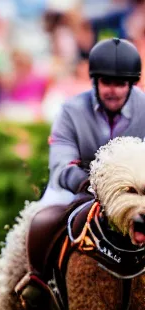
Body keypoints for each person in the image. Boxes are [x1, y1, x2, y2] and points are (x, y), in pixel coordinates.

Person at [41, 37, 145, 206]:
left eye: (120, 84)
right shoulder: (70, 111)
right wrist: (88, 185)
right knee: (41, 221)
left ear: (131, 84)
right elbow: (61, 163)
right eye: (106, 82)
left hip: (136, 191)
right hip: (77, 189)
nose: (113, 91)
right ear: (95, 82)